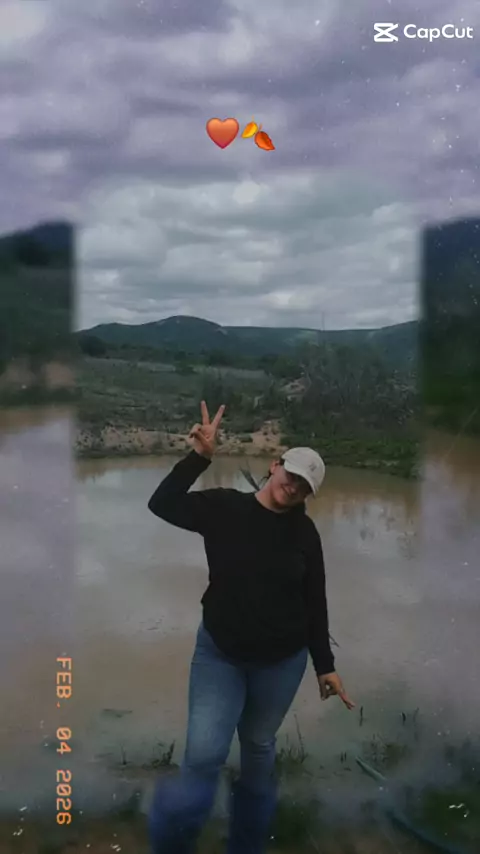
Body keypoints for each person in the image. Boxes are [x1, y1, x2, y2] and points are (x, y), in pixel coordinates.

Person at [147, 401, 354, 854]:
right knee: (204, 755)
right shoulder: (224, 507)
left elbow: (314, 601)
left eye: (304, 486)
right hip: (220, 653)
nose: (293, 487)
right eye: (291, 474)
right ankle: (172, 842)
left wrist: (325, 665)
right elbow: (160, 504)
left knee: (258, 747)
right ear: (275, 465)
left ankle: (246, 843)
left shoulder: (306, 534)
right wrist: (199, 458)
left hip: (281, 663)